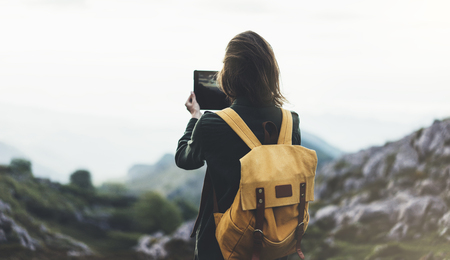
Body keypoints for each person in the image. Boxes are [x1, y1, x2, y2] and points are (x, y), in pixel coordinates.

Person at [175, 31, 301, 260]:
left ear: (230, 74)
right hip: (275, 244)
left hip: (222, 247)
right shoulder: (290, 121)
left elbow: (184, 158)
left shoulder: (211, 123)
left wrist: (195, 118)